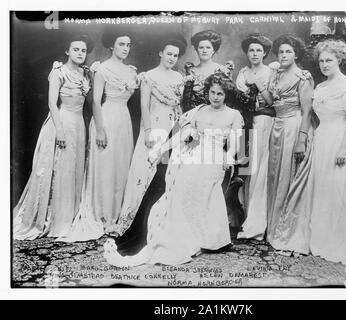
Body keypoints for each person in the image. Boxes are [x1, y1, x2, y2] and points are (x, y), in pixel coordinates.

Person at [103, 72, 244, 266]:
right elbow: (182, 134)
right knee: (182, 182)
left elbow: (236, 141)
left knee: (199, 185)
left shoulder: (233, 115)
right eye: (212, 92)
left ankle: (206, 237)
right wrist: (161, 149)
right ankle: (180, 234)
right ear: (208, 92)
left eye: (220, 94)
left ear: (226, 95)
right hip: (195, 155)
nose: (215, 97)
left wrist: (229, 156)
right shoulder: (199, 111)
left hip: (216, 158)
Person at [274, 39, 346, 269]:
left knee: (340, 189)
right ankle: (323, 239)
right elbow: (315, 116)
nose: (324, 64)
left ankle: (343, 240)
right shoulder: (320, 87)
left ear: (340, 60)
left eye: (329, 60)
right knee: (322, 189)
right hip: (322, 139)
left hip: (341, 141)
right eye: (322, 61)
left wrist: (344, 148)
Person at [58, 29, 138, 242]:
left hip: (124, 120)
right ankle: (103, 215)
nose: (125, 48)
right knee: (105, 167)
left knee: (121, 166)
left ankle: (117, 216)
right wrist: (100, 129)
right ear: (112, 45)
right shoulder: (102, 69)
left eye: (128, 45)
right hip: (106, 117)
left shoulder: (131, 71)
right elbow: (95, 100)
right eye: (121, 44)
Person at [107, 39, 186, 251]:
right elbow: (144, 105)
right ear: (161, 52)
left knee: (165, 174)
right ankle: (134, 220)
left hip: (172, 127)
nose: (172, 58)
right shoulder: (149, 77)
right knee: (145, 171)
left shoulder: (179, 77)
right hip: (154, 126)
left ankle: (161, 220)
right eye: (169, 53)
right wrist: (149, 132)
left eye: (175, 55)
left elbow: (178, 107)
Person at [13, 34, 93, 240]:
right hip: (62, 121)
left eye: (83, 50)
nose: (80, 53)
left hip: (78, 124)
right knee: (59, 168)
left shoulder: (85, 74)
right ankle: (54, 218)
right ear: (67, 51)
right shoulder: (59, 72)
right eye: (75, 49)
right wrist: (59, 130)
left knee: (74, 169)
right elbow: (51, 103)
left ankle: (70, 215)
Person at [263, 34, 314, 245]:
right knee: (276, 178)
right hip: (277, 127)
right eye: (281, 51)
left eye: (288, 52)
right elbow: (271, 101)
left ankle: (286, 232)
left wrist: (301, 140)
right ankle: (273, 229)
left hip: (294, 126)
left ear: (296, 54)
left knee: (288, 177)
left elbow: (307, 111)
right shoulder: (275, 73)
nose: (284, 55)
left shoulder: (303, 77)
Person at [233, 33, 276, 237]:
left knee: (258, 168)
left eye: (259, 50)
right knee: (244, 167)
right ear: (247, 52)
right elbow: (236, 99)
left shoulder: (270, 72)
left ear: (265, 53)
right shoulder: (242, 73)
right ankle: (243, 214)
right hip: (244, 122)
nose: (255, 53)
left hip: (262, 121)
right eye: (251, 50)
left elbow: (270, 101)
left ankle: (257, 220)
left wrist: (259, 84)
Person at [181, 30, 223, 112]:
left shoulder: (221, 70)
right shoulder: (190, 72)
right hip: (195, 115)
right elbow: (185, 100)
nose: (204, 50)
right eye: (201, 47)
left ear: (213, 50)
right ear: (196, 49)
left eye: (208, 47)